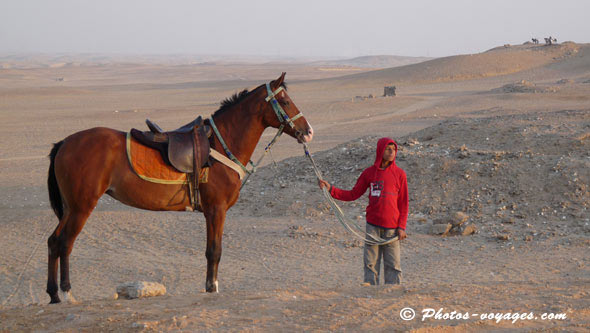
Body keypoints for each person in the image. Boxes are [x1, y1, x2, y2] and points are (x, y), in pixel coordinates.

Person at [318, 138, 408, 285]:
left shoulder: (400, 174)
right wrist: (331, 189)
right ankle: (370, 291)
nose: (392, 152)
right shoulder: (369, 173)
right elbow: (353, 194)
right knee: (370, 263)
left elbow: (404, 204)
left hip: (392, 229)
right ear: (380, 151)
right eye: (388, 148)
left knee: (393, 265)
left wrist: (402, 227)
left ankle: (393, 292)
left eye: (394, 149)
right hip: (372, 226)